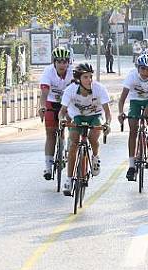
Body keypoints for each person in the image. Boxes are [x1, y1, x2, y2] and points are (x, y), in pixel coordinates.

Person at [59, 63, 112, 195]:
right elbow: (62, 111)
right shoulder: (70, 90)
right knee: (73, 145)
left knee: (93, 138)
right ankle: (69, 179)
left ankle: (95, 157)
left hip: (95, 115)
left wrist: (107, 123)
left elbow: (108, 112)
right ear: (78, 79)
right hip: (78, 116)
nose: (89, 80)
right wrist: (62, 120)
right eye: (85, 77)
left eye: (90, 77)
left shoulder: (99, 88)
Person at [117, 54, 148, 181]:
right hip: (135, 101)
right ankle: (132, 165)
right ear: (138, 68)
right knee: (133, 129)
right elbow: (122, 99)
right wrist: (121, 112)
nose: (145, 72)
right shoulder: (131, 76)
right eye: (143, 69)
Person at [39, 47, 74, 181]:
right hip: (52, 101)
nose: (62, 64)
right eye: (59, 61)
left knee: (73, 126)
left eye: (65, 61)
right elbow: (44, 93)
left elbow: (76, 90)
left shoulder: (72, 72)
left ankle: (69, 147)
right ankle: (48, 166)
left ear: (68, 62)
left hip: (68, 103)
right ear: (54, 62)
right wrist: (42, 107)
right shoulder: (48, 71)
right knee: (50, 132)